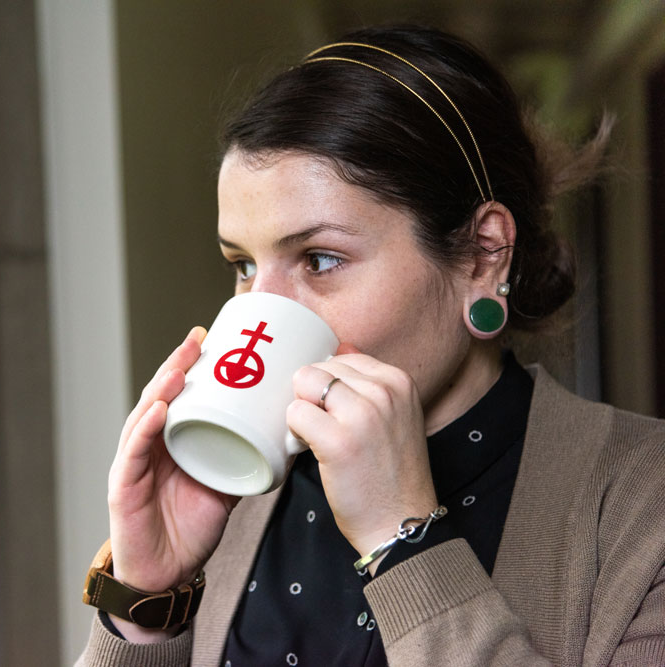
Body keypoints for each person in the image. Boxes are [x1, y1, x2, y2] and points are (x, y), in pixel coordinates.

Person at [77, 24, 665, 666]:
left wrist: (402, 540)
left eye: (321, 259)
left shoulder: (642, 503)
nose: (257, 312)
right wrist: (147, 605)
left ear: (483, 253)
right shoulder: (237, 497)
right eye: (243, 264)